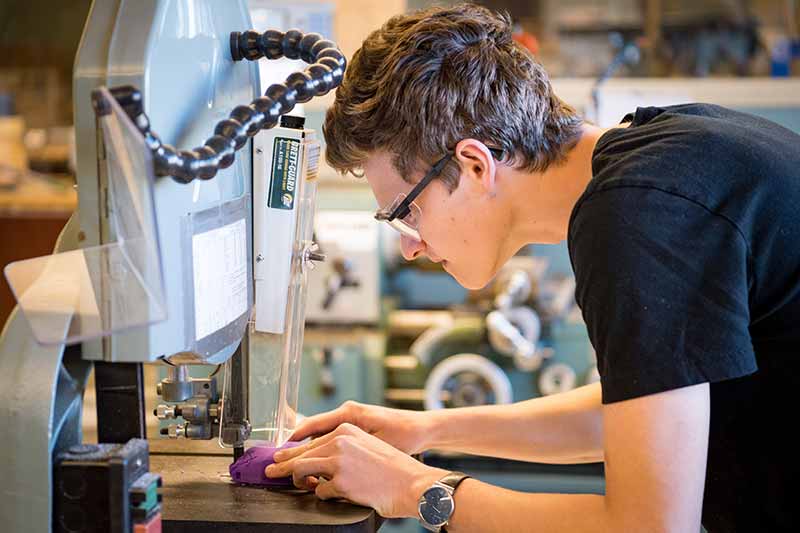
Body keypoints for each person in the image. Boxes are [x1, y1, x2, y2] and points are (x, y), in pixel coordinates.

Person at [265, 4, 800, 532]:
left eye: (405, 213)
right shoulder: (666, 157)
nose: (410, 247)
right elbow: (644, 415)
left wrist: (412, 489)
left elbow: (652, 526)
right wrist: (422, 429)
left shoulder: (637, 216)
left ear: (475, 166)